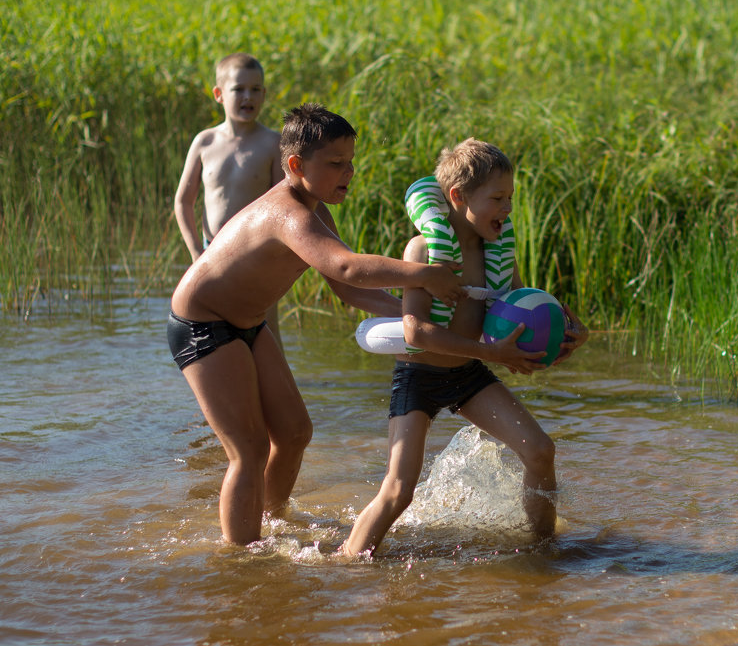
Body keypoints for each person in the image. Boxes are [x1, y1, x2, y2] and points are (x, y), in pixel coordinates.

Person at [167, 102, 468, 545]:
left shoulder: (314, 209)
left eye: (350, 163)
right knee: (247, 450)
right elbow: (346, 268)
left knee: (293, 433)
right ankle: (240, 559)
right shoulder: (288, 213)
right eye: (335, 164)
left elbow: (346, 289)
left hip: (248, 325)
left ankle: (271, 521)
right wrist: (425, 275)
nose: (348, 173)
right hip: (203, 324)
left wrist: (410, 314)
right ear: (295, 164)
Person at [340, 138, 589, 559]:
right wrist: (494, 355)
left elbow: (522, 315)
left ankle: (543, 553)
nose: (507, 208)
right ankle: (345, 562)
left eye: (510, 197)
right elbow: (416, 331)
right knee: (399, 491)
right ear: (458, 197)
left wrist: (568, 335)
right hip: (418, 377)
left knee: (541, 451)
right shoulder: (423, 250)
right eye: (497, 198)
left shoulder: (499, 256)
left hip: (468, 374)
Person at [174, 53, 286, 347]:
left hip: (257, 255)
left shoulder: (273, 143)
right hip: (211, 254)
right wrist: (196, 252)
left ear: (264, 94)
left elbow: (283, 204)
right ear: (219, 94)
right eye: (238, 89)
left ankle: (276, 387)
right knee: (216, 332)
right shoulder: (205, 142)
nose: (248, 96)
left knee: (266, 332)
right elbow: (183, 202)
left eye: (256, 89)